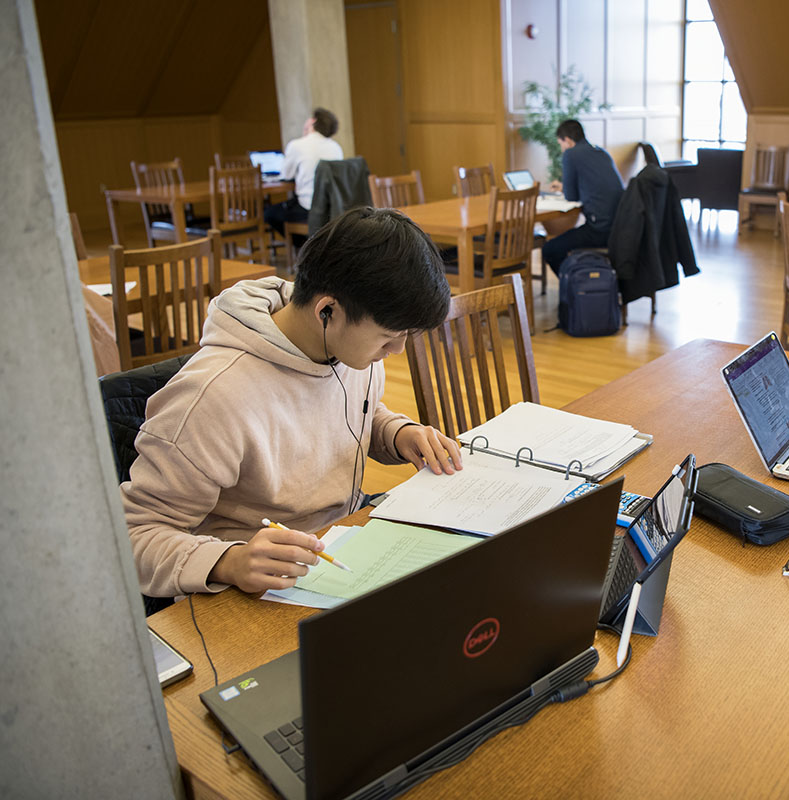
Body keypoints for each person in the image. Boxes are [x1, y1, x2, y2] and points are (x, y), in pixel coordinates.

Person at [124, 208, 463, 598]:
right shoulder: (214, 396)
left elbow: (355, 412)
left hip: (341, 543)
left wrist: (396, 433)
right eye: (388, 336)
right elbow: (134, 534)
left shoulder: (344, 347)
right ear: (327, 312)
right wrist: (229, 562)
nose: (398, 350)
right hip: (255, 589)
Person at [543, 119, 625, 274]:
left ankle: (575, 286)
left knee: (550, 249)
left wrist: (565, 189)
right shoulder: (601, 152)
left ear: (567, 141)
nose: (562, 149)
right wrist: (563, 186)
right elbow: (594, 185)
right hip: (619, 226)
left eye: (561, 144)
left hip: (599, 230)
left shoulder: (570, 155)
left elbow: (571, 197)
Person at [265, 107, 344, 244]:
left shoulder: (297, 145)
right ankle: (312, 244)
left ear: (313, 122)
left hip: (309, 208)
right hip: (334, 206)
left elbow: (286, 174)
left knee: (269, 214)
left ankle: (303, 245)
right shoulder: (335, 147)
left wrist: (304, 133)